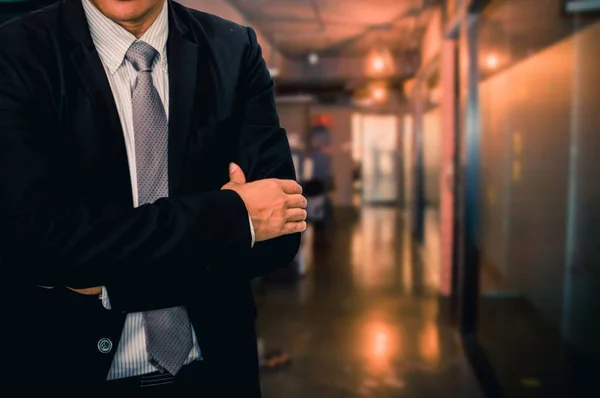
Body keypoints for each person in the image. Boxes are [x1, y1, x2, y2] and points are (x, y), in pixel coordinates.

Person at [0, 0, 307, 396]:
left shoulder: (233, 49)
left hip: (217, 373)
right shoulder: (15, 52)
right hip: (64, 372)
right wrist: (232, 216)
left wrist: (104, 280)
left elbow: (281, 228)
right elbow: (34, 245)